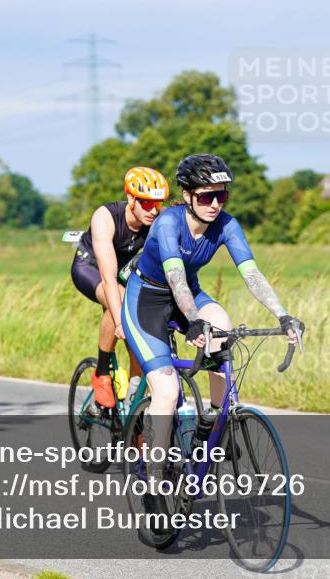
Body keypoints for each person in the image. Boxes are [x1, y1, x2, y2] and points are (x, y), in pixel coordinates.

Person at [121, 154, 303, 524]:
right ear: (187, 195)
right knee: (167, 392)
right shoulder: (168, 224)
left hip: (191, 292)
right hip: (148, 301)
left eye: (221, 196)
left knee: (222, 326)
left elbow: (252, 274)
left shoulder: (227, 225)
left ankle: (212, 426)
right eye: (206, 197)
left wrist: (282, 315)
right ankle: (154, 485)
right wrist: (190, 322)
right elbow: (174, 277)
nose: (215, 204)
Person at [71, 166, 169, 409]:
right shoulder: (105, 216)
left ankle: (134, 403)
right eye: (146, 203)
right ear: (131, 199)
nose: (153, 210)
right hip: (91, 267)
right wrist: (118, 322)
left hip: (125, 271)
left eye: (157, 204)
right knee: (118, 300)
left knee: (141, 325)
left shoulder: (158, 218)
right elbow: (108, 277)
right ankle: (101, 373)